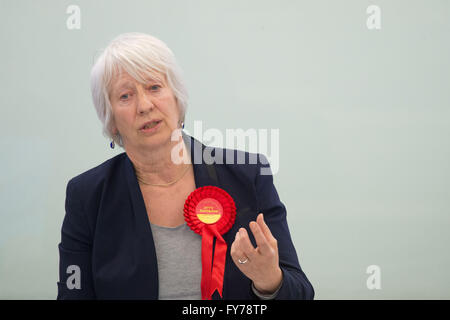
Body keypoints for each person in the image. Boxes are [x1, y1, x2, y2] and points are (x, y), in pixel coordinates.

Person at [57, 32, 314, 300]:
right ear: (110, 120)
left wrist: (269, 281)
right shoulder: (87, 195)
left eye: (154, 87)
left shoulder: (248, 174)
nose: (144, 105)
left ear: (178, 100)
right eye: (125, 96)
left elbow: (301, 293)